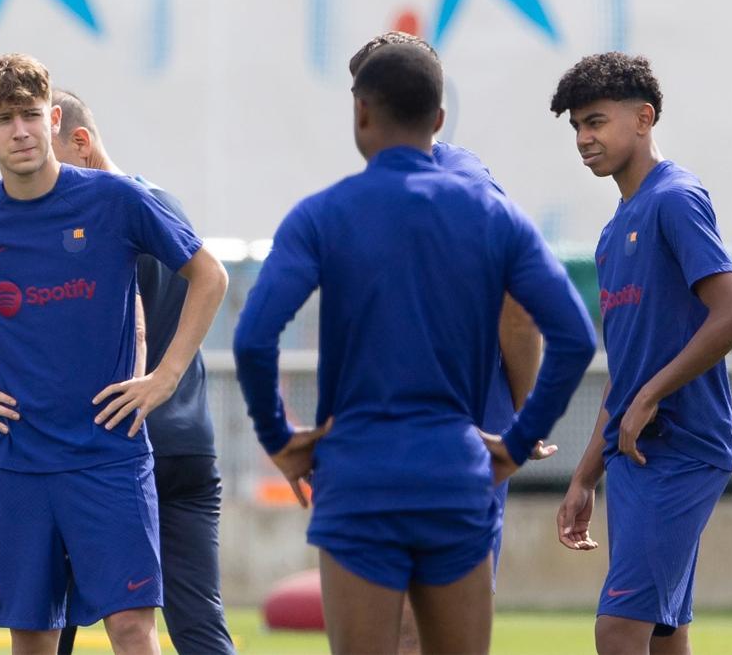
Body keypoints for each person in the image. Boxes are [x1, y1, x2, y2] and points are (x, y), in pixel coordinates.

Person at [233, 43, 596, 654]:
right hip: (453, 472)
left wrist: (281, 441)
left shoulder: (321, 215)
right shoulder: (489, 212)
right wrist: (514, 437)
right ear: (438, 120)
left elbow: (252, 339)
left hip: (356, 474)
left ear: (361, 115)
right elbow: (573, 336)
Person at [0, 53, 228, 654]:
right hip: (20, 461)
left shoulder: (115, 199)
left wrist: (164, 378)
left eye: (32, 114)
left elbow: (209, 276)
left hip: (109, 454)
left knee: (134, 628)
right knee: (32, 638)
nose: (22, 130)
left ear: (53, 117)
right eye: (3, 119)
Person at [344, 29, 547, 654]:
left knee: (423, 612)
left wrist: (519, 413)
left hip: (453, 431)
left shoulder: (457, 183)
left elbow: (518, 307)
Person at [549, 52, 732, 654]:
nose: (585, 139)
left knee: (617, 629)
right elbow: (626, 374)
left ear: (643, 118)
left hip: (684, 449)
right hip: (636, 458)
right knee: (665, 634)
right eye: (577, 129)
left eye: (596, 121)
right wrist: (585, 475)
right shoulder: (614, 233)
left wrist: (651, 395)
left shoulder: (676, 198)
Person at [48, 89, 235, 655]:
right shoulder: (165, 204)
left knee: (53, 619)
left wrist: (161, 378)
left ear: (79, 143)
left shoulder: (96, 225)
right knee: (199, 623)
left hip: (113, 447)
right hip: (188, 447)